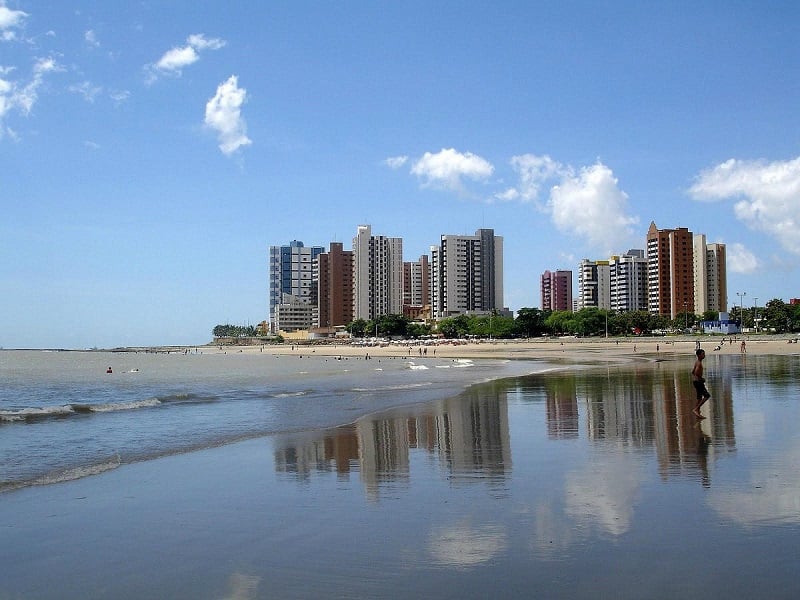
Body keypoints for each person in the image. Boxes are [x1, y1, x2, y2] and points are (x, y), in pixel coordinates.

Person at [692, 349, 711, 418]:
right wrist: (701, 378)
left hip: (696, 382)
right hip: (698, 382)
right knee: (707, 396)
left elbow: (693, 372)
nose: (704, 355)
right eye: (703, 354)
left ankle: (697, 413)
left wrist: (697, 378)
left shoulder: (697, 362)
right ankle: (696, 409)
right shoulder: (699, 363)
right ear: (699, 355)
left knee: (699, 398)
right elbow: (696, 373)